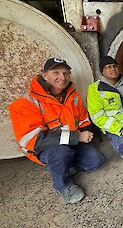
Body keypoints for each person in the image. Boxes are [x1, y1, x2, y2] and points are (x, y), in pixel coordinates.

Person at [9, 57, 105, 204]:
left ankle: (66, 165)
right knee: (61, 152)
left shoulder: (72, 95)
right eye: (56, 72)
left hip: (72, 141)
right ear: (44, 75)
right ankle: (63, 185)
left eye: (66, 73)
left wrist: (86, 135)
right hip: (45, 148)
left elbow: (83, 118)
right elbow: (36, 140)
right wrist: (76, 137)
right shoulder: (25, 103)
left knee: (95, 161)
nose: (62, 77)